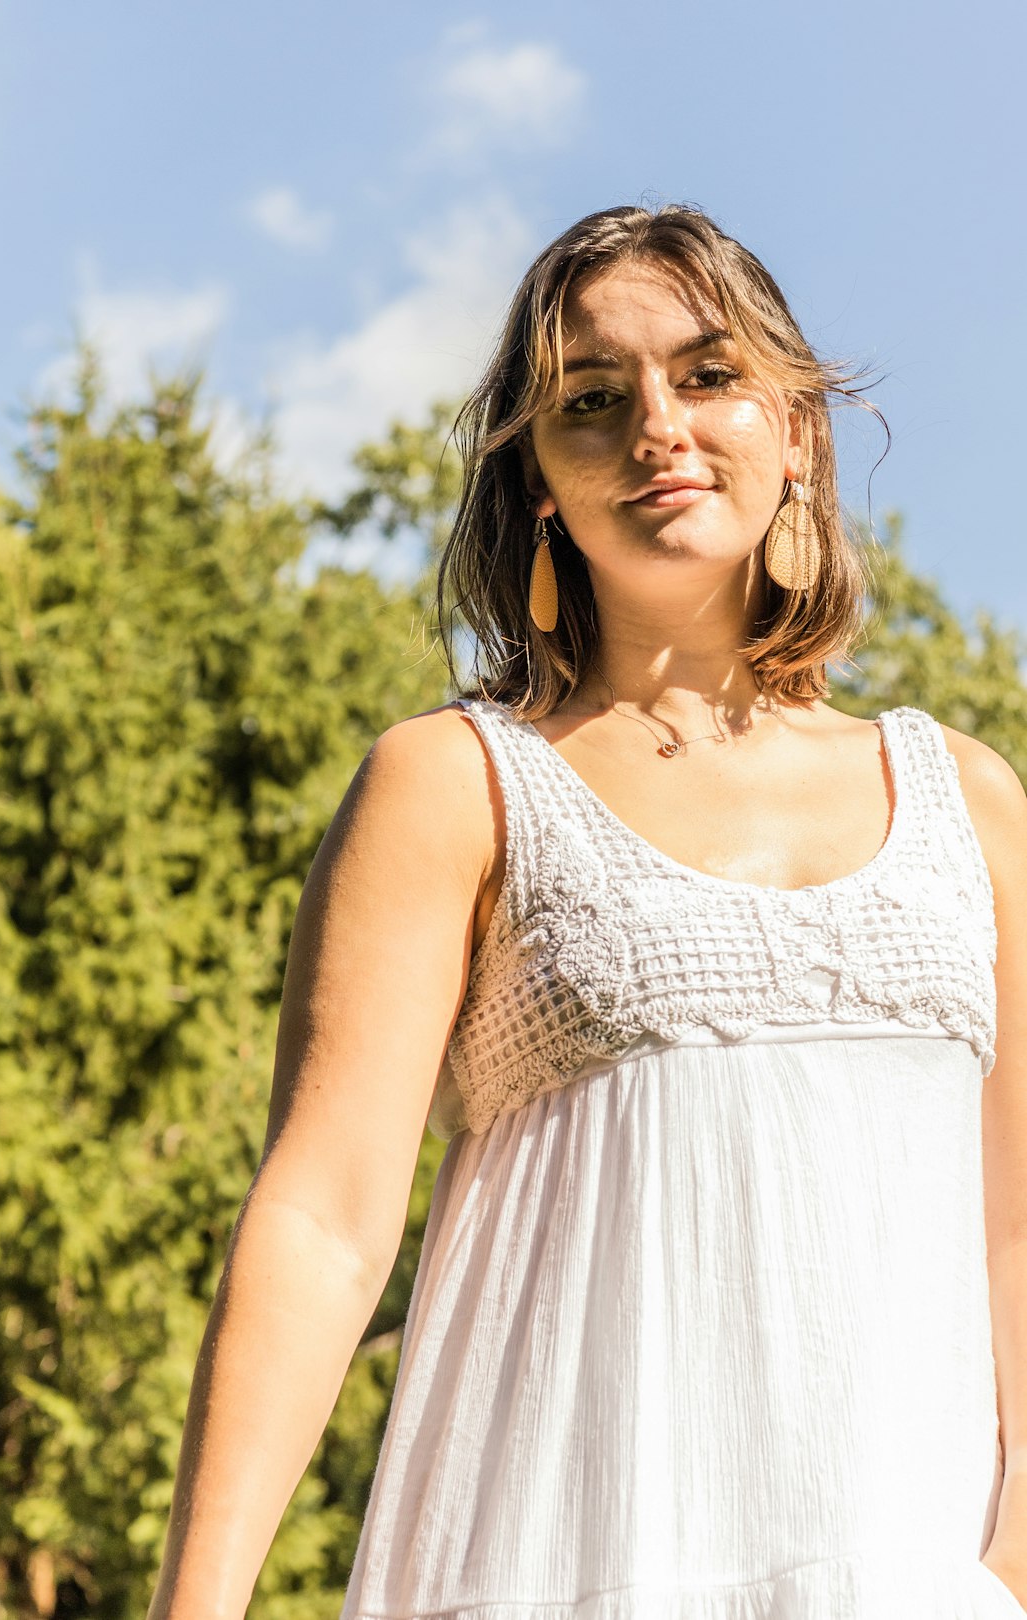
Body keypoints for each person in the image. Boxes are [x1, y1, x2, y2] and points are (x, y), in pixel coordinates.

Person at [145, 204, 1027, 1620]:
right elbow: (322, 1221)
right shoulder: (454, 785)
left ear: (797, 429)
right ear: (541, 479)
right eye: (592, 403)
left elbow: (1018, 1230)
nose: (658, 429)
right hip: (557, 1562)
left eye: (711, 375)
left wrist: (1007, 1570)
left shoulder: (968, 803)